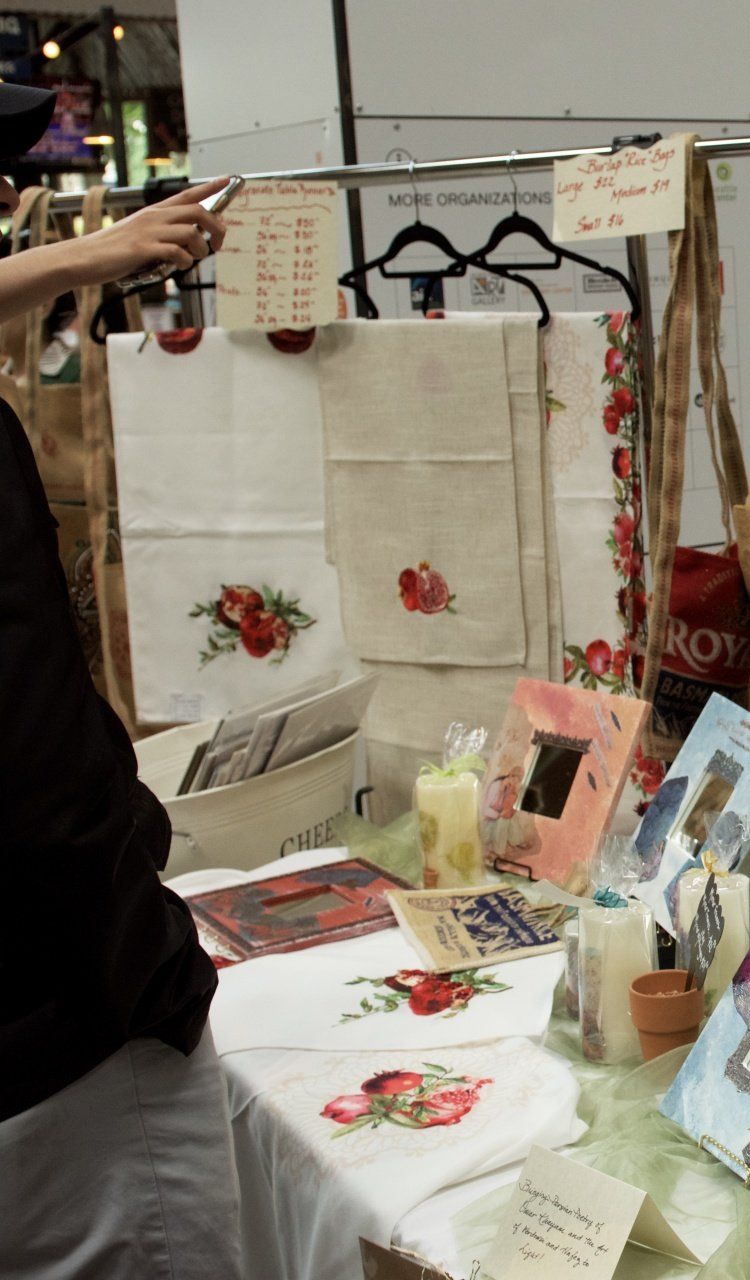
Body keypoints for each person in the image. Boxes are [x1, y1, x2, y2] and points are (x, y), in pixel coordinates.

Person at [0, 84, 244, 1279]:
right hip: (60, 1036)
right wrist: (147, 964)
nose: (7, 198)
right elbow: (34, 758)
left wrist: (77, 259)